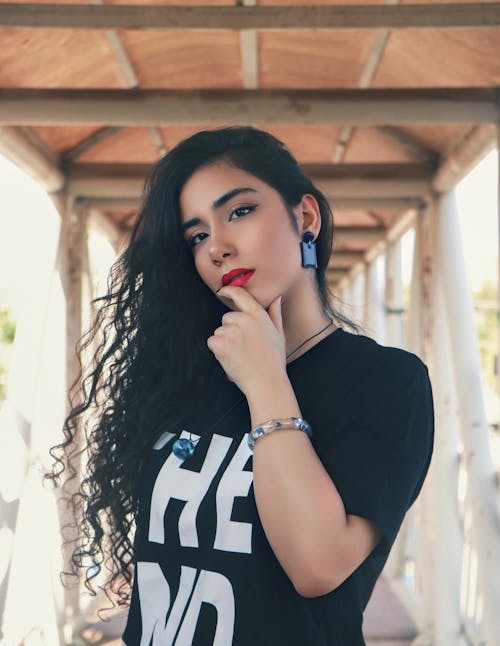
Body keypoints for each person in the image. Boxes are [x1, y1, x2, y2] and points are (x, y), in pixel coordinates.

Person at [46, 126, 434, 645]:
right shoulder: (187, 375)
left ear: (306, 218)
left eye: (239, 212)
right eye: (198, 235)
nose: (218, 248)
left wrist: (266, 380)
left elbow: (318, 566)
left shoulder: (386, 381)